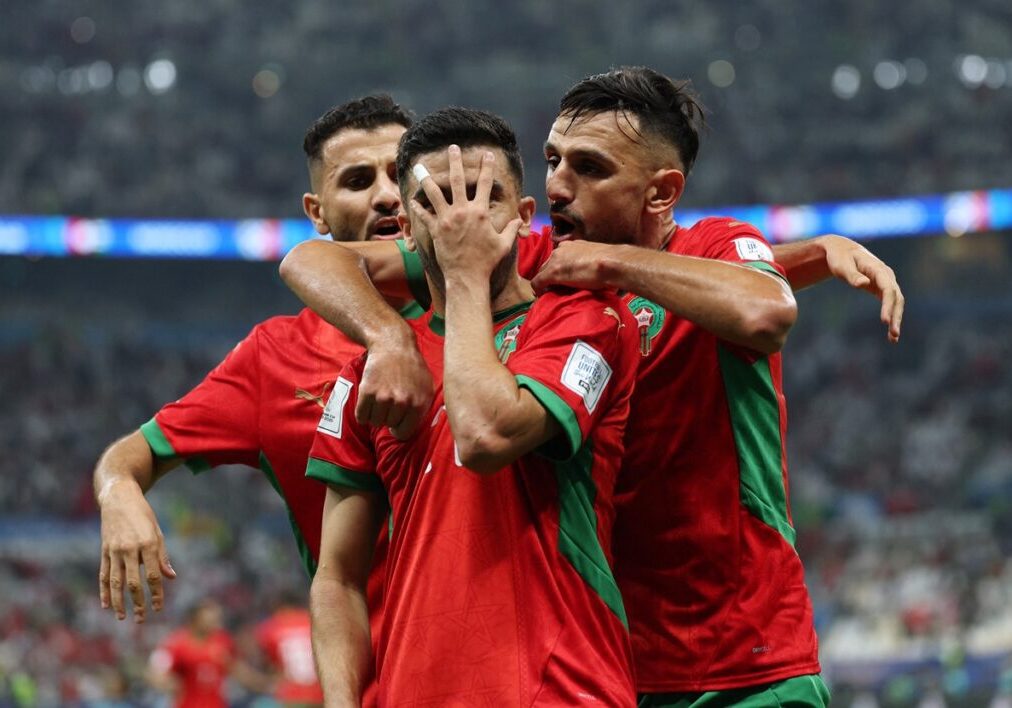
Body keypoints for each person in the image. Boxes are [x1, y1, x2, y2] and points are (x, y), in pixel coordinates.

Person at [280, 68, 907, 707]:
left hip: (744, 661)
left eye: (589, 167)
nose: (557, 184)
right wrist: (387, 336)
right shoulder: (535, 259)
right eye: (552, 159)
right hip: (617, 661)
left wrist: (608, 264)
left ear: (661, 192)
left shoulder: (714, 243)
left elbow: (762, 310)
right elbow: (312, 259)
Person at [306, 107, 641, 706]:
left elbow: (485, 435)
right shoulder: (372, 375)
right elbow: (337, 577)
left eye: (484, 197)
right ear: (406, 228)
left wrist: (461, 275)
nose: (463, 218)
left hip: (560, 692)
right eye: (439, 201)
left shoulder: (585, 320)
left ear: (525, 216)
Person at [92, 94, 431, 625]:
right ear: (316, 212)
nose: (387, 196)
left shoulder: (493, 301)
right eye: (358, 181)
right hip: (376, 681)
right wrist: (118, 492)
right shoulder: (273, 357)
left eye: (400, 174)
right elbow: (128, 457)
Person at [147, 599, 265, 708]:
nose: (215, 623)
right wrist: (168, 683)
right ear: (194, 620)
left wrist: (264, 683)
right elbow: (156, 673)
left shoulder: (223, 641)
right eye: (210, 620)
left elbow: (237, 669)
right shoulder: (176, 644)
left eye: (216, 619)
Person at [255, 593, 323, 708]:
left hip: (292, 694)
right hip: (321, 692)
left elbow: (270, 664)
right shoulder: (314, 620)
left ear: (279, 606)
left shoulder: (271, 627)